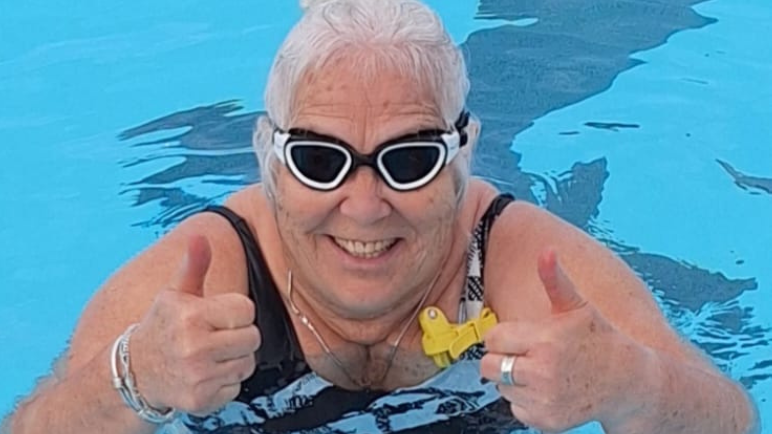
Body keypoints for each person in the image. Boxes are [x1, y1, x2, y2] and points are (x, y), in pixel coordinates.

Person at [4, 0, 759, 433]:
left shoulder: (522, 265)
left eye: (409, 160)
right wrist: (135, 376)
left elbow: (733, 421)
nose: (363, 206)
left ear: (464, 155)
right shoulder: (208, 272)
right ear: (268, 155)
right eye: (319, 160)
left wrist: (630, 386)